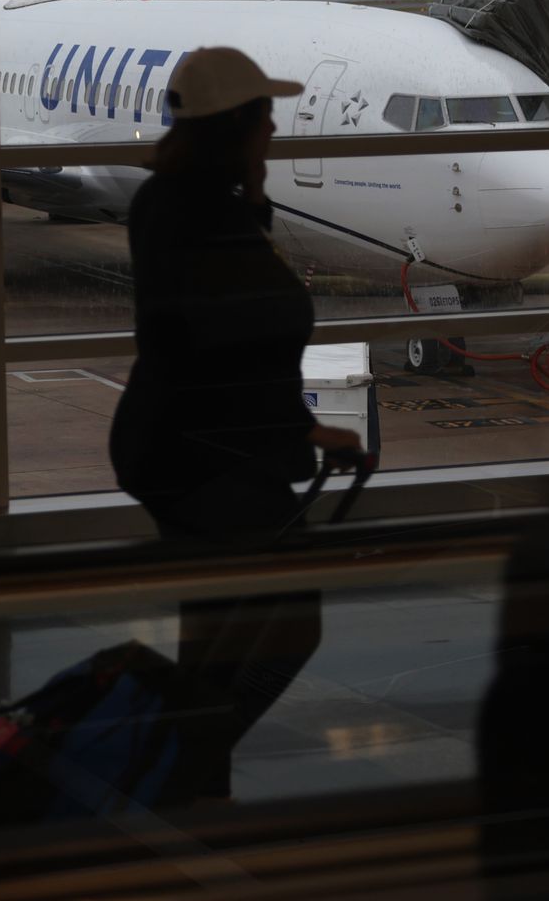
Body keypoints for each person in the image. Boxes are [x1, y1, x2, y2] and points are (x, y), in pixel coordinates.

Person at [107, 46, 365, 801]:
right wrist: (287, 433)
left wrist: (297, 428)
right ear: (239, 125)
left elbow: (232, 342)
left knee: (215, 628)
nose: (276, 128)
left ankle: (193, 780)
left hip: (185, 444)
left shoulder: (182, 200)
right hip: (205, 455)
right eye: (266, 115)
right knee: (287, 623)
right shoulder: (200, 213)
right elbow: (224, 339)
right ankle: (184, 763)